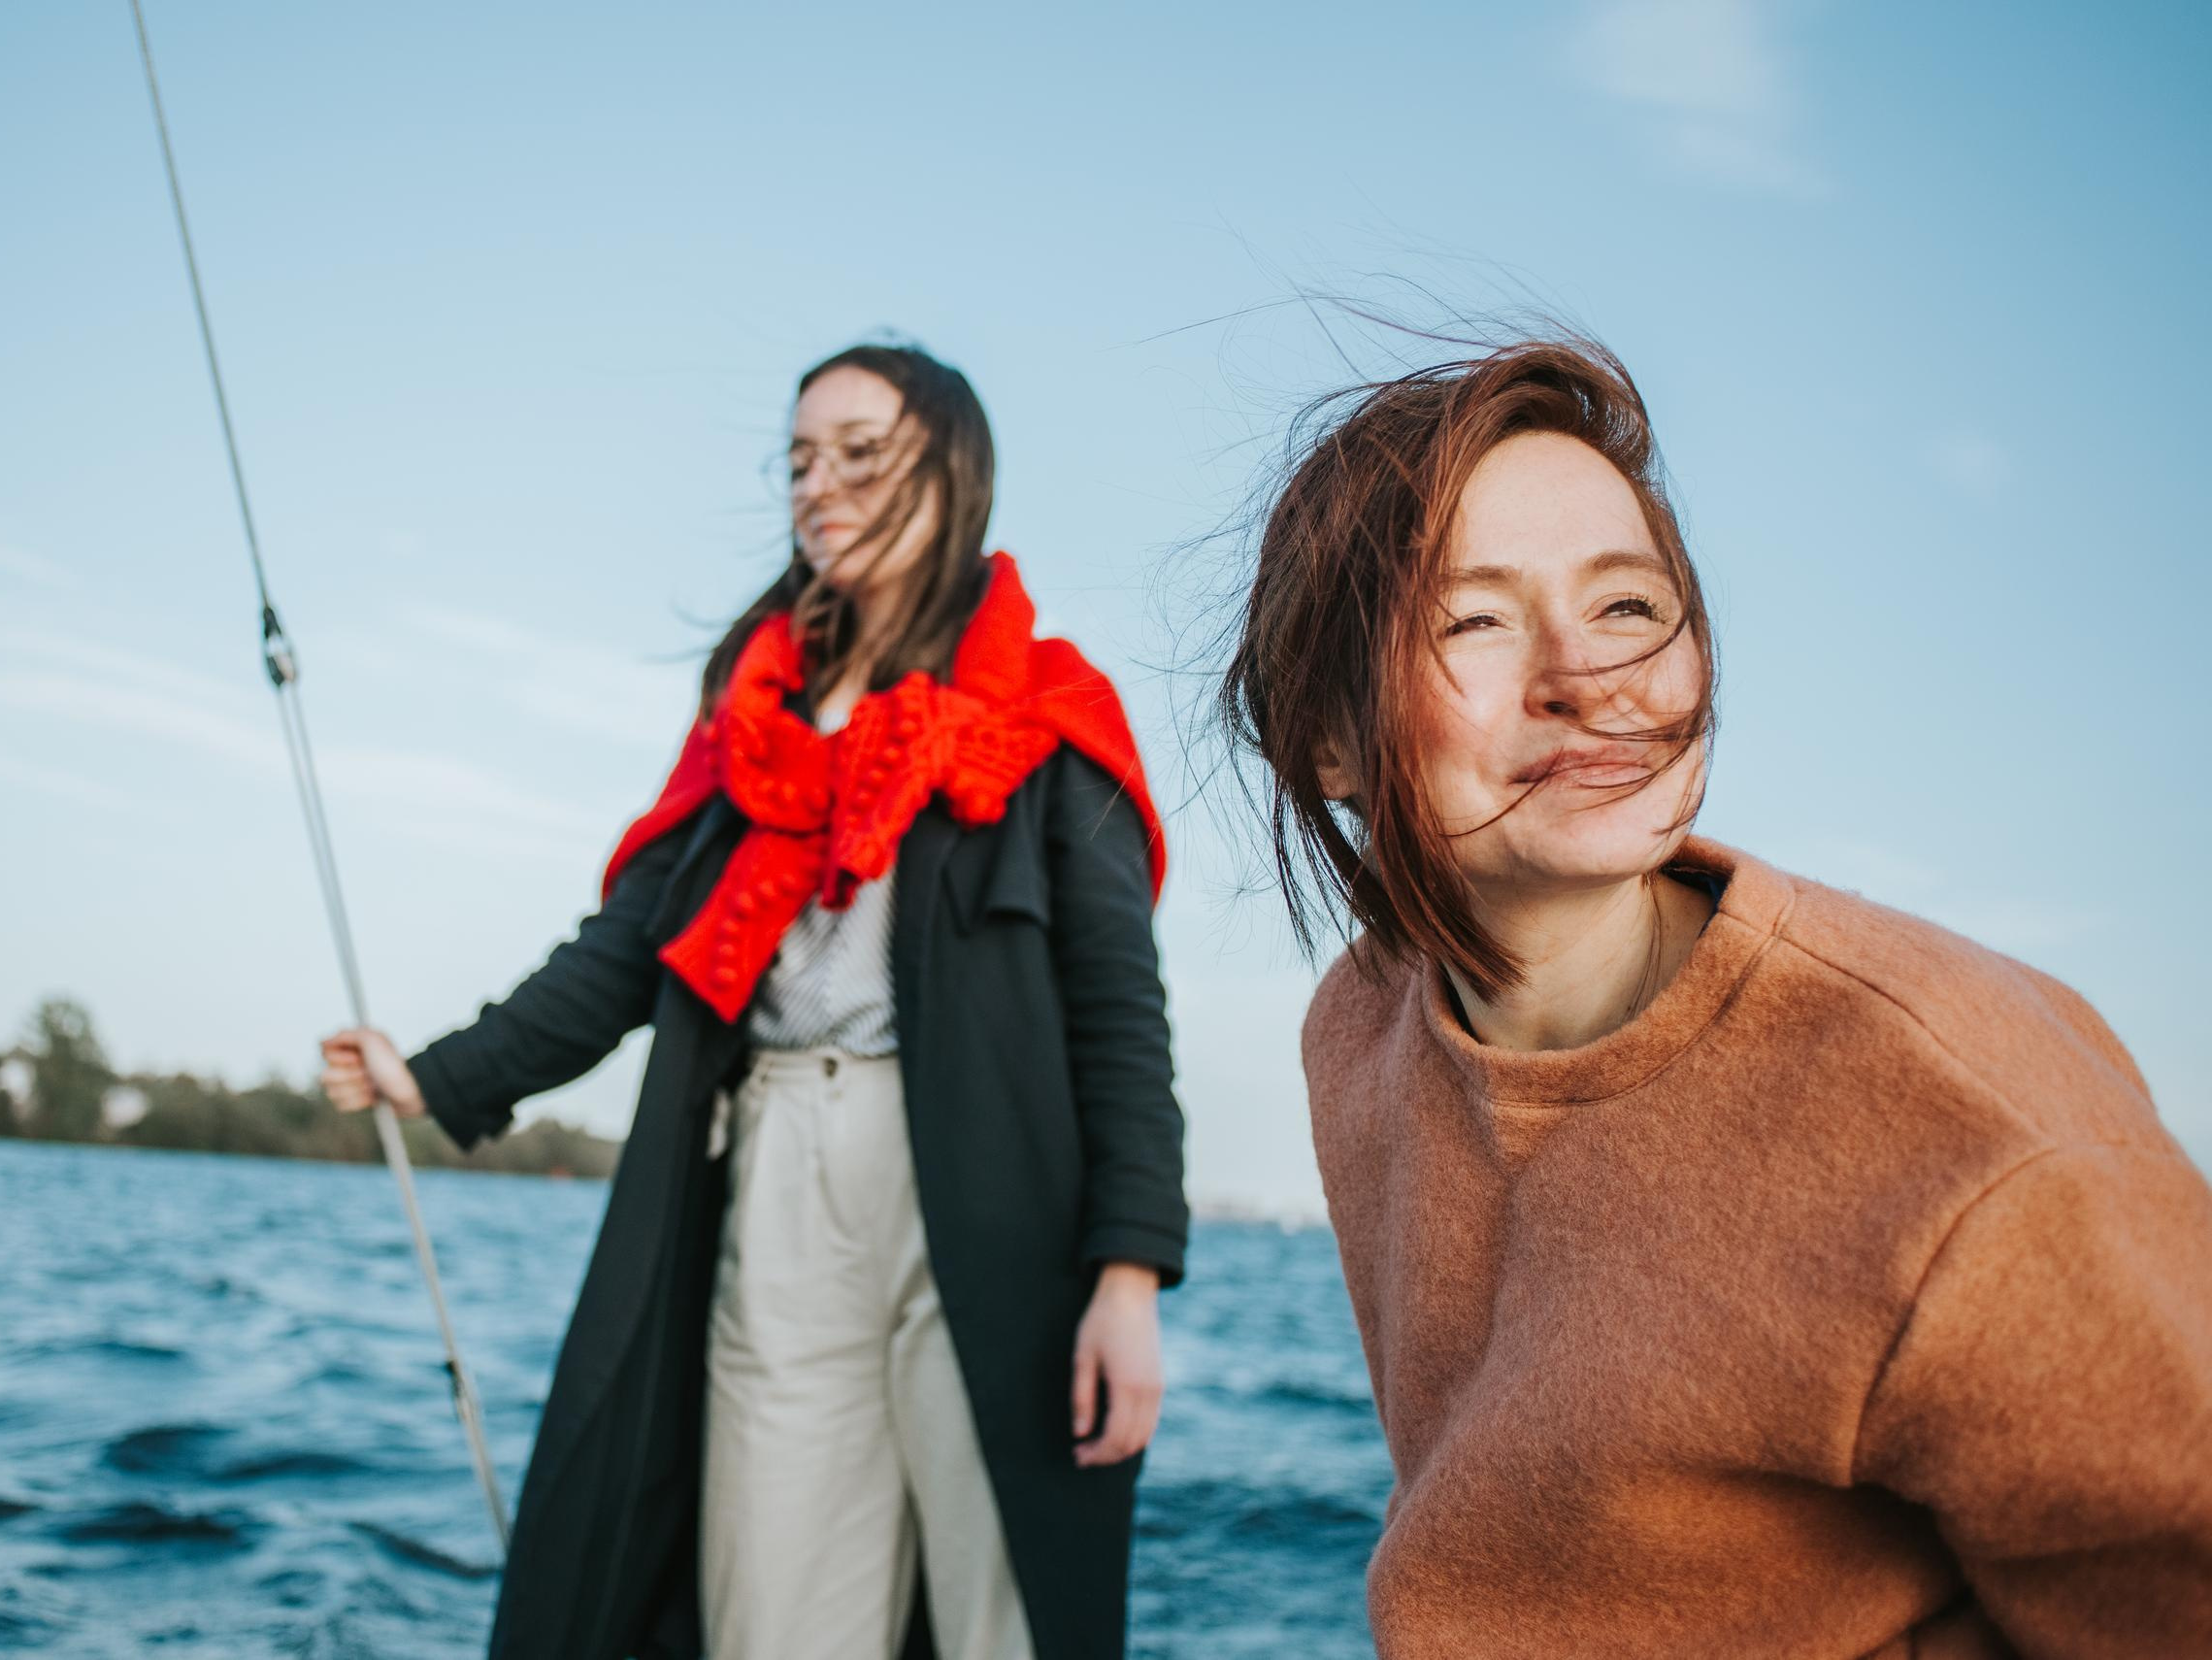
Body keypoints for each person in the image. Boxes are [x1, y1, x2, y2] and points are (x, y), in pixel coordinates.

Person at [1218, 336, 2212, 1657]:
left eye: (1630, 606)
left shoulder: (1972, 1134)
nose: (1589, 674)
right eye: (1473, 617)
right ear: (1321, 739)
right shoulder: (1363, 1022)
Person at [320, 343, 1187, 1660]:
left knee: (1002, 1606)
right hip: (779, 1175)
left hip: (1002, 1195)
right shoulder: (751, 723)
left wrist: (1129, 1275)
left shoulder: (1049, 715)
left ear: (952, 473)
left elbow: (1122, 1008)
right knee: (774, 1610)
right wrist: (433, 1072)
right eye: (797, 460)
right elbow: (620, 955)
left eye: (858, 452)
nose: (817, 485)